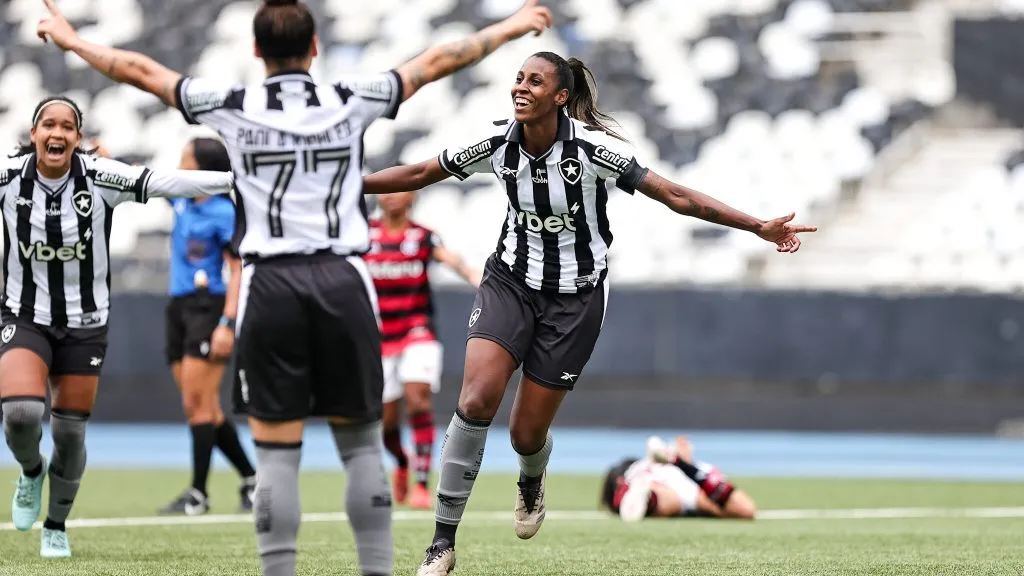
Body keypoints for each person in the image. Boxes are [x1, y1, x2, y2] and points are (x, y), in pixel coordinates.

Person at [35, 1, 553, 574]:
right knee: (360, 450)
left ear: (256, 53)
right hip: (342, 281)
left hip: (270, 285)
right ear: (315, 49)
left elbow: (139, 71)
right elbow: (438, 59)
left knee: (278, 457)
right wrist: (510, 26)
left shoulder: (231, 103)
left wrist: (71, 39)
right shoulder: (349, 98)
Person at [362, 52, 817, 575]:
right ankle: (441, 544)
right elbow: (420, 171)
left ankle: (531, 477)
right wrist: (351, 185)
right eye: (518, 78)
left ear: (560, 97)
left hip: (575, 299)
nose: (521, 87)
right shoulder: (495, 142)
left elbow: (676, 195)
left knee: (524, 435)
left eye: (535, 81)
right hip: (509, 282)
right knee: (475, 399)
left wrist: (758, 226)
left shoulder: (595, 150)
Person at [0, 95, 234, 558]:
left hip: (86, 323)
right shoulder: (8, 178)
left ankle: (56, 526)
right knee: (22, 415)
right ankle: (30, 472)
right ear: (33, 135)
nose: (57, 133)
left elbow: (170, 182)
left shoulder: (102, 177)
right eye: (48, 124)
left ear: (78, 138)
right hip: (24, 315)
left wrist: (240, 178)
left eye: (68, 126)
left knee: (70, 433)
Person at [159, 137, 257, 516]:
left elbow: (237, 270)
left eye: (186, 158)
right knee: (205, 406)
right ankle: (251, 478)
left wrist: (227, 323)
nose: (179, 163)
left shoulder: (223, 212)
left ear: (201, 168)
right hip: (178, 308)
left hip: (208, 307)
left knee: (196, 404)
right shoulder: (181, 200)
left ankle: (198, 494)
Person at [365, 191, 481, 510]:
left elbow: (451, 258)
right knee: (386, 421)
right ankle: (401, 462)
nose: (392, 197)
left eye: (399, 189)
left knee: (418, 400)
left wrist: (476, 278)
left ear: (412, 196)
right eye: (386, 190)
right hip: (377, 336)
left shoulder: (422, 236)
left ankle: (421, 484)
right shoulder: (364, 235)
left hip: (417, 330)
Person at [600, 435, 757, 522]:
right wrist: (680, 462)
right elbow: (745, 509)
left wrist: (679, 461)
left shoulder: (692, 468)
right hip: (659, 476)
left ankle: (646, 497)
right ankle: (647, 498)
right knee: (676, 499)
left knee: (665, 495)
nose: (685, 443)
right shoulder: (699, 472)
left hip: (641, 474)